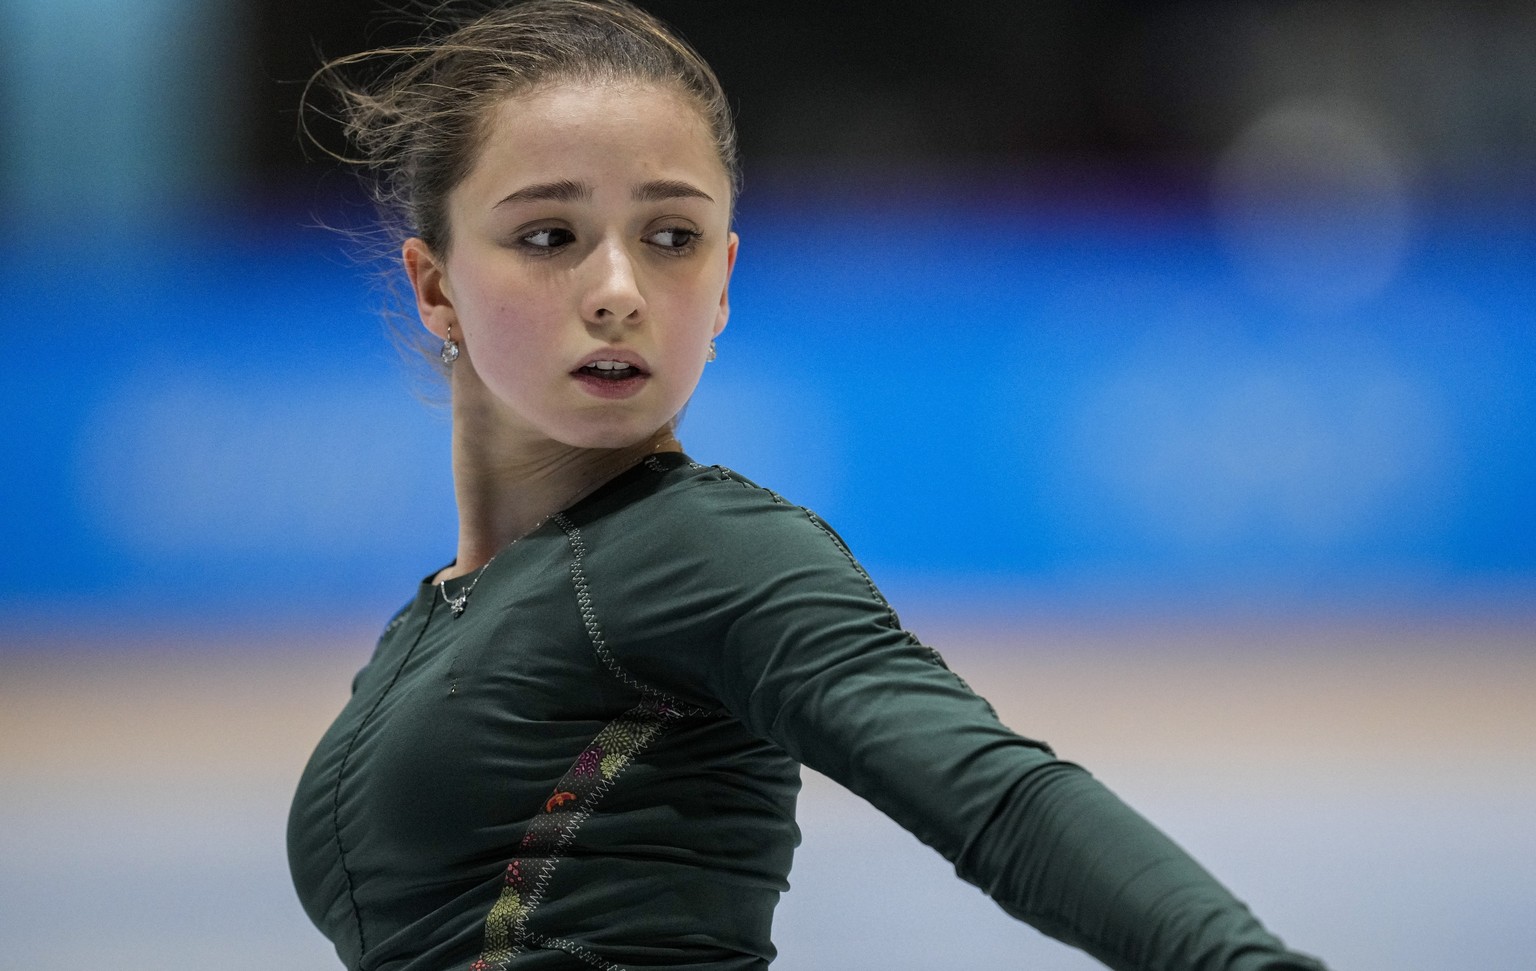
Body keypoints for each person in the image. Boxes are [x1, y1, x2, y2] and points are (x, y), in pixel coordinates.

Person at [286, 2, 1331, 969]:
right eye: (550, 236)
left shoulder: (699, 547)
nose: (617, 290)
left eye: (671, 237)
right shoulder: (425, 624)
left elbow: (1002, 800)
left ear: (725, 280)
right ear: (436, 286)